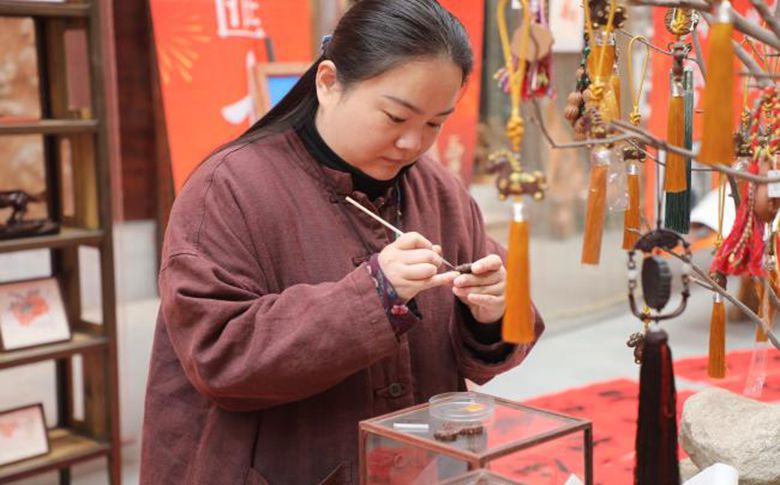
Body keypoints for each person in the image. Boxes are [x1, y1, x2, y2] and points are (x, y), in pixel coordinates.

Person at [140, 1, 544, 483]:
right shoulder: (228, 188)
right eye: (396, 117)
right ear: (329, 83)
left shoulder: (438, 190)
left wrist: (491, 310)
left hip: (417, 466)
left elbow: (496, 338)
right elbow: (218, 357)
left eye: (434, 123)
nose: (412, 143)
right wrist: (375, 294)